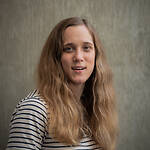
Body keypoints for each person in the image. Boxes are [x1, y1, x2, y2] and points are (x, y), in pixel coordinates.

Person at [6, 17, 118, 150]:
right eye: (69, 49)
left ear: (96, 55)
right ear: (55, 57)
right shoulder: (33, 109)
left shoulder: (95, 108)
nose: (79, 57)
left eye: (86, 48)